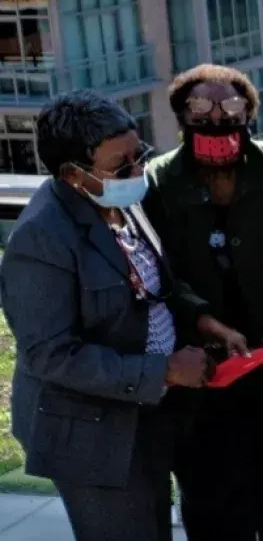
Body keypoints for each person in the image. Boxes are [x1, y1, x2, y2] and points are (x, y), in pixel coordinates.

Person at [0, 90, 212, 540]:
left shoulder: (121, 201)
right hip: (93, 435)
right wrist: (166, 372)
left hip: (145, 410)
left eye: (140, 156)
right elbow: (51, 356)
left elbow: (156, 287)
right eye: (121, 166)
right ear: (74, 175)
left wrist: (205, 321)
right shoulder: (40, 240)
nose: (138, 172)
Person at [140, 64, 263, 541]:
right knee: (213, 498)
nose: (218, 121)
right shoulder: (157, 181)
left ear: (250, 114)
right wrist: (203, 319)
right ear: (182, 118)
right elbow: (159, 271)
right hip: (203, 374)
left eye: (232, 109)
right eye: (201, 110)